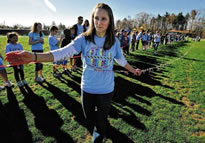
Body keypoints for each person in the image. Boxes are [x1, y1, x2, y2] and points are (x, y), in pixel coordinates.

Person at [6, 3, 142, 142]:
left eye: (103, 19)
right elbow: (63, 53)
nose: (98, 22)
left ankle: (99, 134)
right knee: (89, 117)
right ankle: (97, 127)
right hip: (87, 87)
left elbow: (121, 60)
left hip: (106, 89)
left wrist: (133, 70)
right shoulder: (84, 38)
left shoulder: (114, 42)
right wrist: (34, 57)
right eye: (96, 18)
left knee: (101, 121)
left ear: (110, 20)